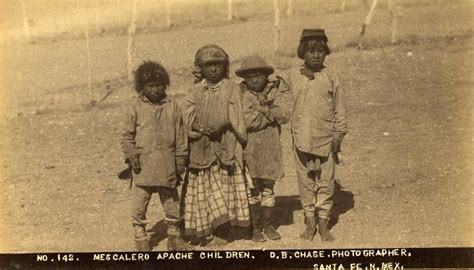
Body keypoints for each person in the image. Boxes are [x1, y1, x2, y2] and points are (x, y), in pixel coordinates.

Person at [181, 44, 249, 246]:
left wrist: (223, 124)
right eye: (208, 65)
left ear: (225, 66)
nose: (213, 69)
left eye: (218, 65)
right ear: (199, 68)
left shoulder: (232, 88)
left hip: (225, 143)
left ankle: (224, 230)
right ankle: (207, 228)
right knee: (205, 189)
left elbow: (238, 115)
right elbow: (186, 115)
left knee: (225, 187)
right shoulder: (194, 91)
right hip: (202, 147)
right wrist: (199, 128)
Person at [120, 60, 189, 251]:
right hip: (142, 166)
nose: (156, 90)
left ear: (165, 85)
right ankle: (140, 236)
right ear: (141, 87)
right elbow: (126, 135)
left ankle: (174, 236)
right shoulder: (134, 107)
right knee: (140, 203)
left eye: (159, 85)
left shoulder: (172, 106)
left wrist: (181, 161)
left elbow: (181, 135)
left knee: (171, 203)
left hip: (168, 164)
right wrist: (131, 154)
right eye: (150, 86)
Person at [286, 29, 348, 242]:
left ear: (326, 52)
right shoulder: (293, 76)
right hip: (301, 137)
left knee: (326, 181)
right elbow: (282, 99)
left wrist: (339, 134)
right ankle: (309, 222)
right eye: (311, 51)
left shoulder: (331, 76)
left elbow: (340, 108)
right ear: (303, 52)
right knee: (305, 180)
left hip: (326, 137)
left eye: (320, 51)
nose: (316, 55)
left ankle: (324, 222)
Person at [235, 55, 291, 242]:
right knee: (253, 190)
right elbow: (247, 121)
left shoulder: (274, 92)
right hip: (250, 150)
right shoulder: (243, 95)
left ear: (266, 76)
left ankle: (268, 224)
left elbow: (283, 115)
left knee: (268, 188)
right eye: (250, 77)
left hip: (270, 149)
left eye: (259, 75)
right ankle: (256, 227)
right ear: (245, 79)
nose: (255, 80)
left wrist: (263, 110)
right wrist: (269, 114)